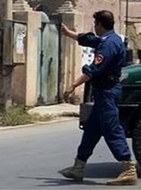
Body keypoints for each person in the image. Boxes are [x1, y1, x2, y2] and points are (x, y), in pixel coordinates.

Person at [58, 11, 136, 185]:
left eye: (95, 23)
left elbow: (93, 70)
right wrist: (68, 33)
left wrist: (73, 85)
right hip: (103, 92)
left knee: (112, 129)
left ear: (100, 24)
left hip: (107, 92)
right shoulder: (109, 39)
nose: (94, 26)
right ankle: (78, 167)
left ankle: (128, 168)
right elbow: (89, 39)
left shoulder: (109, 45)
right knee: (92, 131)